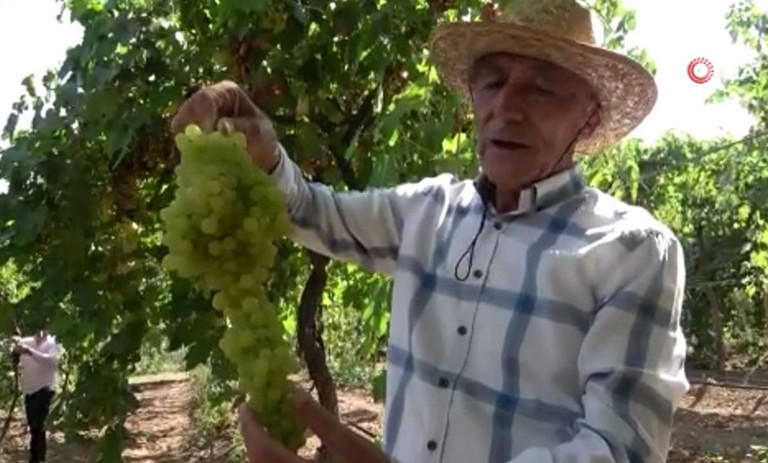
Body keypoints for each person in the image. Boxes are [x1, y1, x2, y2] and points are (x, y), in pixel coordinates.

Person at [171, 0, 689, 461]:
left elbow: (621, 450)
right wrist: (265, 152)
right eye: (492, 82)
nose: (506, 108)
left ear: (589, 118)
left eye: (543, 89)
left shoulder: (631, 251)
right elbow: (310, 212)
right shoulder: (429, 210)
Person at [12, 322, 60, 463]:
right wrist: (16, 348)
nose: (40, 334)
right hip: (30, 390)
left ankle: (37, 459)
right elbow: (16, 348)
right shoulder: (28, 342)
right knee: (34, 427)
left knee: (38, 426)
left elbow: (50, 361)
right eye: (37, 330)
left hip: (44, 390)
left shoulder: (53, 344)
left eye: (43, 330)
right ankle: (36, 457)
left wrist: (29, 351)